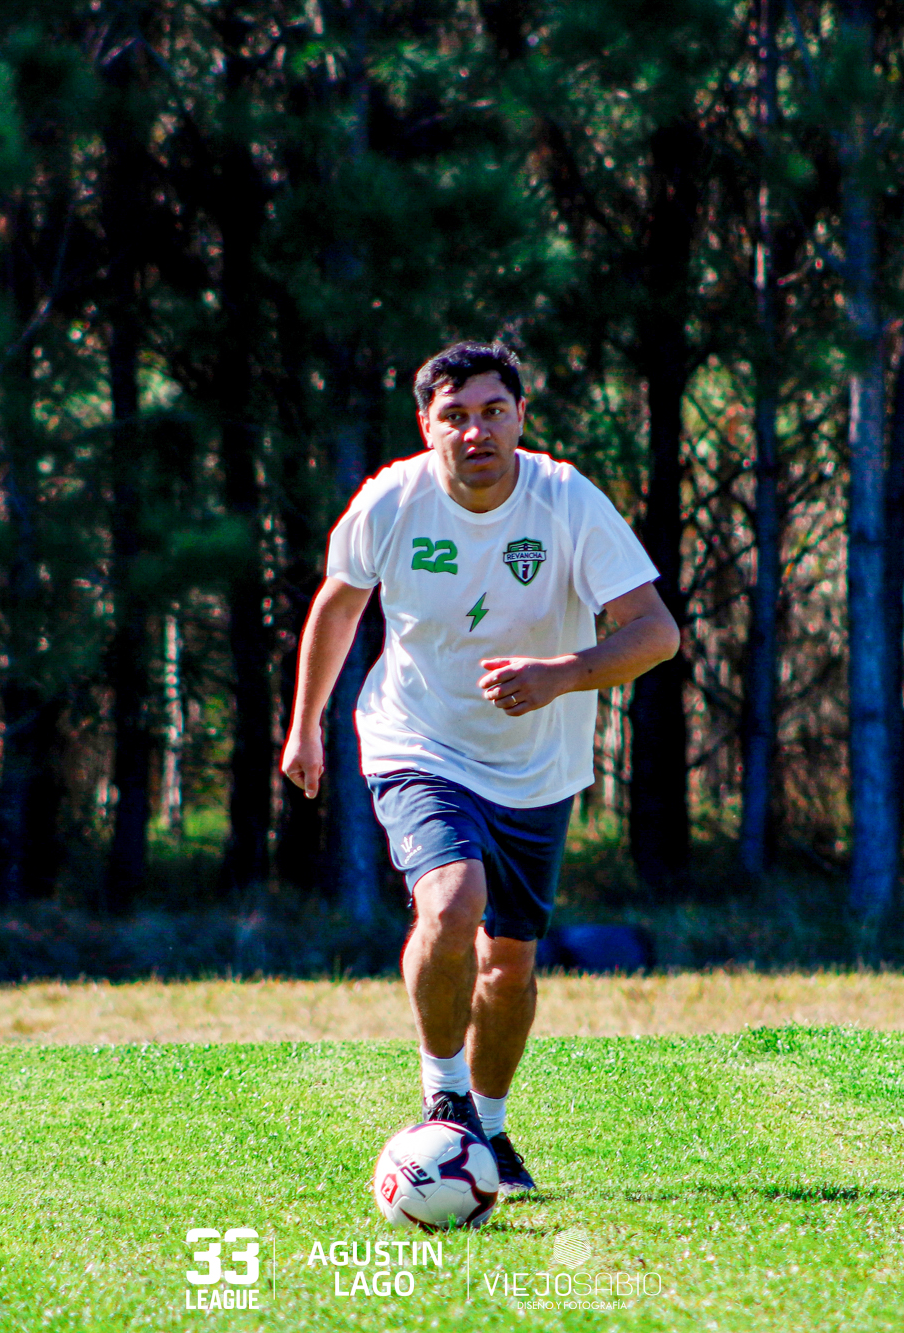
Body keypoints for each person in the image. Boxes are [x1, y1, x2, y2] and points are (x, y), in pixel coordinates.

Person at [281, 340, 679, 1193]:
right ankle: (445, 1094)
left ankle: (489, 1134)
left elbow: (657, 632)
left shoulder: (566, 500)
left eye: (493, 411)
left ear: (520, 416)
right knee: (452, 898)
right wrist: (306, 723)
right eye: (455, 416)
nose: (476, 431)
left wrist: (563, 673)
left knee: (510, 966)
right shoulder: (393, 500)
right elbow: (338, 605)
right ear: (426, 426)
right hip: (416, 740)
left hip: (537, 768)